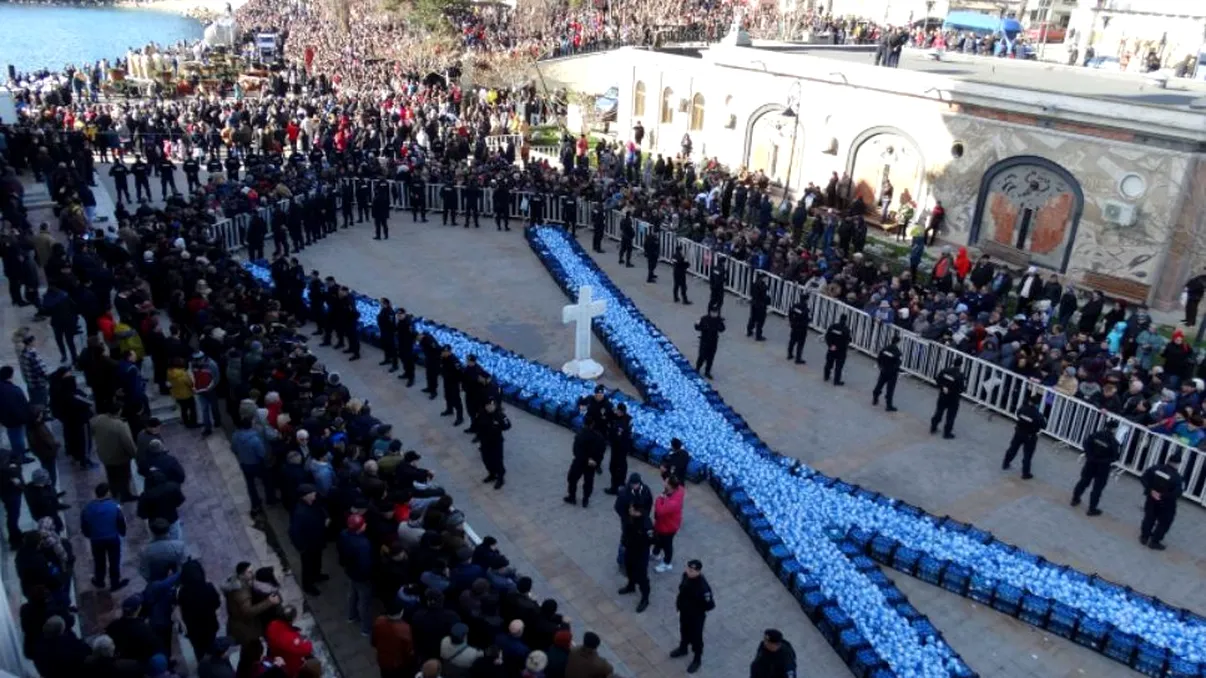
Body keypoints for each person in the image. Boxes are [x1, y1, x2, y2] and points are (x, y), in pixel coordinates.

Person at [80, 482, 129, 591]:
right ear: (107, 493)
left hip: (96, 540)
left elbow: (84, 525)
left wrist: (89, 535)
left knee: (99, 560)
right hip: (112, 538)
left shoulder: (88, 508)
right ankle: (115, 582)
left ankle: (99, 580)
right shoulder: (114, 506)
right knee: (114, 560)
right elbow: (121, 521)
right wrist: (122, 532)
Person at [671, 559, 714, 674]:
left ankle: (697, 659)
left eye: (692, 570)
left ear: (698, 571)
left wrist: (695, 609)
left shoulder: (703, 587)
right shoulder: (685, 576)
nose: (689, 571)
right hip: (684, 613)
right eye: (688, 569)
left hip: (696, 618)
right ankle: (683, 648)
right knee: (683, 631)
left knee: (696, 638)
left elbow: (710, 605)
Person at [1071, 419, 1122, 516]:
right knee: (1097, 488)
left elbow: (1086, 444)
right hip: (1103, 468)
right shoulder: (1114, 442)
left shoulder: (1096, 435)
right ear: (1114, 430)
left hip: (1090, 463)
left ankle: (1075, 499)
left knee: (1083, 481)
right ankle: (1092, 509)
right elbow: (1115, 457)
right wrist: (1102, 461)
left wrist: (1089, 456)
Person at [91, 401, 137, 502]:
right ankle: (125, 495)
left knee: (111, 475)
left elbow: (92, 429)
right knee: (124, 477)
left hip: (104, 455)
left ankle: (114, 492)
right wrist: (135, 454)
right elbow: (127, 442)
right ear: (119, 411)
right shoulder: (120, 425)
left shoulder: (98, 419)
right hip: (119, 457)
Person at [338, 514, 374, 636]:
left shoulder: (344, 534)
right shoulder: (363, 544)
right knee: (365, 602)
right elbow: (365, 564)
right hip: (361, 576)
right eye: (363, 524)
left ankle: (352, 616)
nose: (366, 525)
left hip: (350, 571)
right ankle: (366, 628)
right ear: (359, 528)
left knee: (352, 594)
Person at [289, 484, 329, 595]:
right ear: (304, 496)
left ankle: (317, 575)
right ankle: (308, 586)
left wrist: (325, 517)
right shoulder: (299, 513)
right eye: (311, 494)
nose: (314, 495)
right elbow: (294, 532)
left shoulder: (314, 503)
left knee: (317, 559)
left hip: (317, 540)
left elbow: (322, 509)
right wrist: (301, 547)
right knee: (307, 566)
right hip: (308, 545)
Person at [1140, 452, 1184, 550]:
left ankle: (1144, 537)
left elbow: (1144, 478)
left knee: (1149, 517)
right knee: (1164, 522)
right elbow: (1177, 493)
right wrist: (1162, 496)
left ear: (1168, 460)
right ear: (1178, 464)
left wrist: (1151, 490)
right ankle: (1155, 541)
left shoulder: (1156, 468)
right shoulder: (1177, 478)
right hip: (1166, 504)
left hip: (1151, 498)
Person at [1002, 393, 1047, 479]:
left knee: (1012, 449)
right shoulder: (1038, 416)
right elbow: (1044, 425)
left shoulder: (1022, 409)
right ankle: (1025, 473)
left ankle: (1005, 463)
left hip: (1019, 432)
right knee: (1027, 455)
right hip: (1030, 436)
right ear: (1038, 404)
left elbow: (1018, 414)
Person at [618, 503, 652, 613]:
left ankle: (645, 598)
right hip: (630, 550)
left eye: (632, 509)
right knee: (629, 569)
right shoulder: (630, 518)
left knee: (642, 576)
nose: (629, 510)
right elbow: (626, 531)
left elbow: (653, 539)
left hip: (640, 553)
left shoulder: (646, 524)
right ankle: (631, 585)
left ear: (638, 512)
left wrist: (640, 543)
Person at [565, 417, 606, 508]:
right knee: (588, 482)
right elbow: (602, 451)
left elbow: (576, 451)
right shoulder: (599, 437)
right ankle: (585, 499)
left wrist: (586, 459)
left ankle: (572, 497)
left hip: (580, 462)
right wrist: (597, 462)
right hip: (591, 464)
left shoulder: (580, 435)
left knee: (572, 479)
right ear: (593, 424)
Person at [372, 598, 414, 678]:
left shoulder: (379, 621)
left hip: (382, 660)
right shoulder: (405, 629)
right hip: (397, 664)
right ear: (401, 612)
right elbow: (408, 652)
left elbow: (374, 641)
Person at [651, 476, 684, 573]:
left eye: (666, 481)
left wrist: (659, 499)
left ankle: (667, 563)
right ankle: (655, 553)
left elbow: (660, 510)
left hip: (668, 527)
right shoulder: (678, 490)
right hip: (664, 524)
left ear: (670, 486)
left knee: (667, 545)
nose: (664, 482)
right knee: (658, 540)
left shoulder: (673, 502)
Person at [477, 399, 511, 489]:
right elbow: (478, 425)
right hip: (485, 442)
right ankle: (492, 474)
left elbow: (508, 425)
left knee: (497, 460)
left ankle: (500, 478)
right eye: (487, 405)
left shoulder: (500, 415)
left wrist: (499, 425)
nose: (489, 407)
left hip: (496, 442)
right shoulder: (482, 414)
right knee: (486, 460)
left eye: (491, 405)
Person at [930, 358, 965, 439]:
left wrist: (943, 388)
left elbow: (938, 380)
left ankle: (933, 427)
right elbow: (961, 389)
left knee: (939, 412)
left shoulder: (945, 371)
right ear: (960, 365)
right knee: (951, 416)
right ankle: (947, 433)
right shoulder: (960, 376)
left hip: (943, 396)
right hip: (953, 398)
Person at [604, 403, 632, 496]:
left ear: (621, 412)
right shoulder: (628, 418)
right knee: (622, 466)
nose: (616, 412)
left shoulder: (621, 424)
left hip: (618, 448)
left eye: (618, 411)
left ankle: (615, 487)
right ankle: (621, 484)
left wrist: (610, 434)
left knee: (614, 467)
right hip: (624, 447)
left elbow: (616, 437)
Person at [693, 305, 725, 379]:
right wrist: (697, 324)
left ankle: (707, 371)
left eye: (716, 312)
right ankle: (697, 368)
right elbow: (697, 327)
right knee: (702, 355)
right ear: (710, 312)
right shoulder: (704, 319)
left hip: (713, 342)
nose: (715, 314)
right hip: (704, 340)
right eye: (713, 312)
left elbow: (722, 329)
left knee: (711, 357)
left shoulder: (718, 320)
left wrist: (720, 325)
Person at [872, 336, 902, 411]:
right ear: (898, 342)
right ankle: (889, 406)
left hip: (884, 370)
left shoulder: (885, 349)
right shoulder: (897, 352)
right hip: (892, 373)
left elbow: (879, 358)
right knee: (890, 390)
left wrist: (880, 366)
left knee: (879, 385)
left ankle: (875, 399)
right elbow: (898, 363)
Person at [823, 315, 850, 385]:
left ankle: (826, 376)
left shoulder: (833, 326)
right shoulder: (846, 330)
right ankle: (836, 381)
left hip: (832, 349)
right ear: (846, 320)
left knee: (829, 363)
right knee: (839, 367)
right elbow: (846, 341)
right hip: (841, 351)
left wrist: (830, 345)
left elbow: (827, 336)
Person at [786, 297, 810, 364]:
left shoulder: (795, 306)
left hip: (794, 326)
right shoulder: (806, 309)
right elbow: (807, 319)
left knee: (792, 341)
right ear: (806, 300)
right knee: (800, 344)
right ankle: (798, 359)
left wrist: (791, 321)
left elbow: (790, 313)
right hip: (802, 328)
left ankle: (789, 354)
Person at [746, 274, 769, 341]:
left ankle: (749, 331)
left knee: (752, 318)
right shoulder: (764, 287)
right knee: (760, 321)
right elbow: (765, 297)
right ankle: (758, 336)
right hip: (761, 306)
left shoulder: (754, 284)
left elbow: (751, 293)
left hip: (754, 304)